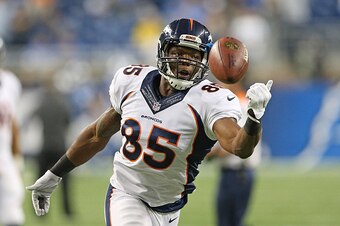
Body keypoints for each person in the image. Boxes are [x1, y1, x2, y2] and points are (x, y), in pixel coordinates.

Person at [26, 18, 272, 226]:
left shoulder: (210, 99)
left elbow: (240, 147)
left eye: (193, 55)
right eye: (178, 53)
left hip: (169, 208)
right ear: (162, 52)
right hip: (126, 194)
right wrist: (54, 174)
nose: (186, 61)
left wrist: (254, 117)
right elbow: (96, 135)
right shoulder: (131, 82)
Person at [207, 81, 262, 226]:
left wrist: (208, 153)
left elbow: (238, 143)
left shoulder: (240, 106)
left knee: (228, 221)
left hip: (237, 173)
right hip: (235, 173)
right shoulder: (243, 104)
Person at [35, 77, 73, 218]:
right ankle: (67, 211)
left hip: (45, 146)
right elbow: (68, 122)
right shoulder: (62, 103)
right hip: (60, 147)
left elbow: (35, 117)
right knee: (65, 182)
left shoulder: (42, 104)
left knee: (41, 181)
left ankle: (41, 211)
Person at [0, 37, 24, 226]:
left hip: (4, 158)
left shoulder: (10, 82)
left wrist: (17, 156)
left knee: (13, 217)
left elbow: (13, 123)